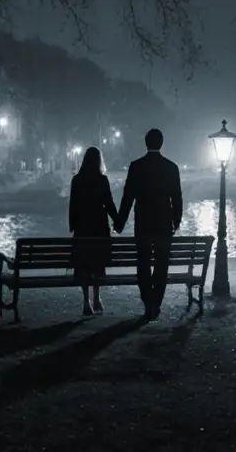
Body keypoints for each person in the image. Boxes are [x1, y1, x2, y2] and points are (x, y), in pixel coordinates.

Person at [115, 128, 183, 321]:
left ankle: (147, 302)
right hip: (163, 224)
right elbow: (177, 199)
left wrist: (120, 222)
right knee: (162, 265)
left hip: (143, 224)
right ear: (161, 143)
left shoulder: (136, 166)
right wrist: (175, 222)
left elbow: (128, 197)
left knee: (143, 264)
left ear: (146, 143)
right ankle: (156, 302)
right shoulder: (171, 167)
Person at [69, 146, 118, 316]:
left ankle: (86, 302)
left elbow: (73, 205)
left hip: (83, 227)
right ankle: (97, 298)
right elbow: (109, 204)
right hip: (99, 228)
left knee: (83, 265)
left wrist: (72, 225)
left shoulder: (76, 180)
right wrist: (118, 222)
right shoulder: (102, 180)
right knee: (97, 263)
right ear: (99, 161)